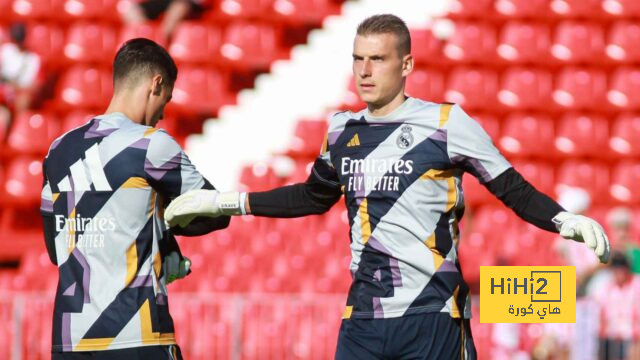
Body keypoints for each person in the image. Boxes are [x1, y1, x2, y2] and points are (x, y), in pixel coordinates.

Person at [165, 14, 610, 359]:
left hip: (433, 315)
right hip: (364, 317)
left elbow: (510, 187)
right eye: (358, 58)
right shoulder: (340, 130)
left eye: (377, 59)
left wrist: (561, 218)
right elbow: (311, 196)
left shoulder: (446, 123)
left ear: (407, 63)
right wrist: (225, 202)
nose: (364, 70)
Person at [40, 38, 229, 359]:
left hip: (71, 340)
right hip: (136, 334)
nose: (163, 114)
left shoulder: (58, 150)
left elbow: (54, 247)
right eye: (166, 100)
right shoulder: (149, 145)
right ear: (156, 84)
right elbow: (213, 211)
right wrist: (162, 227)